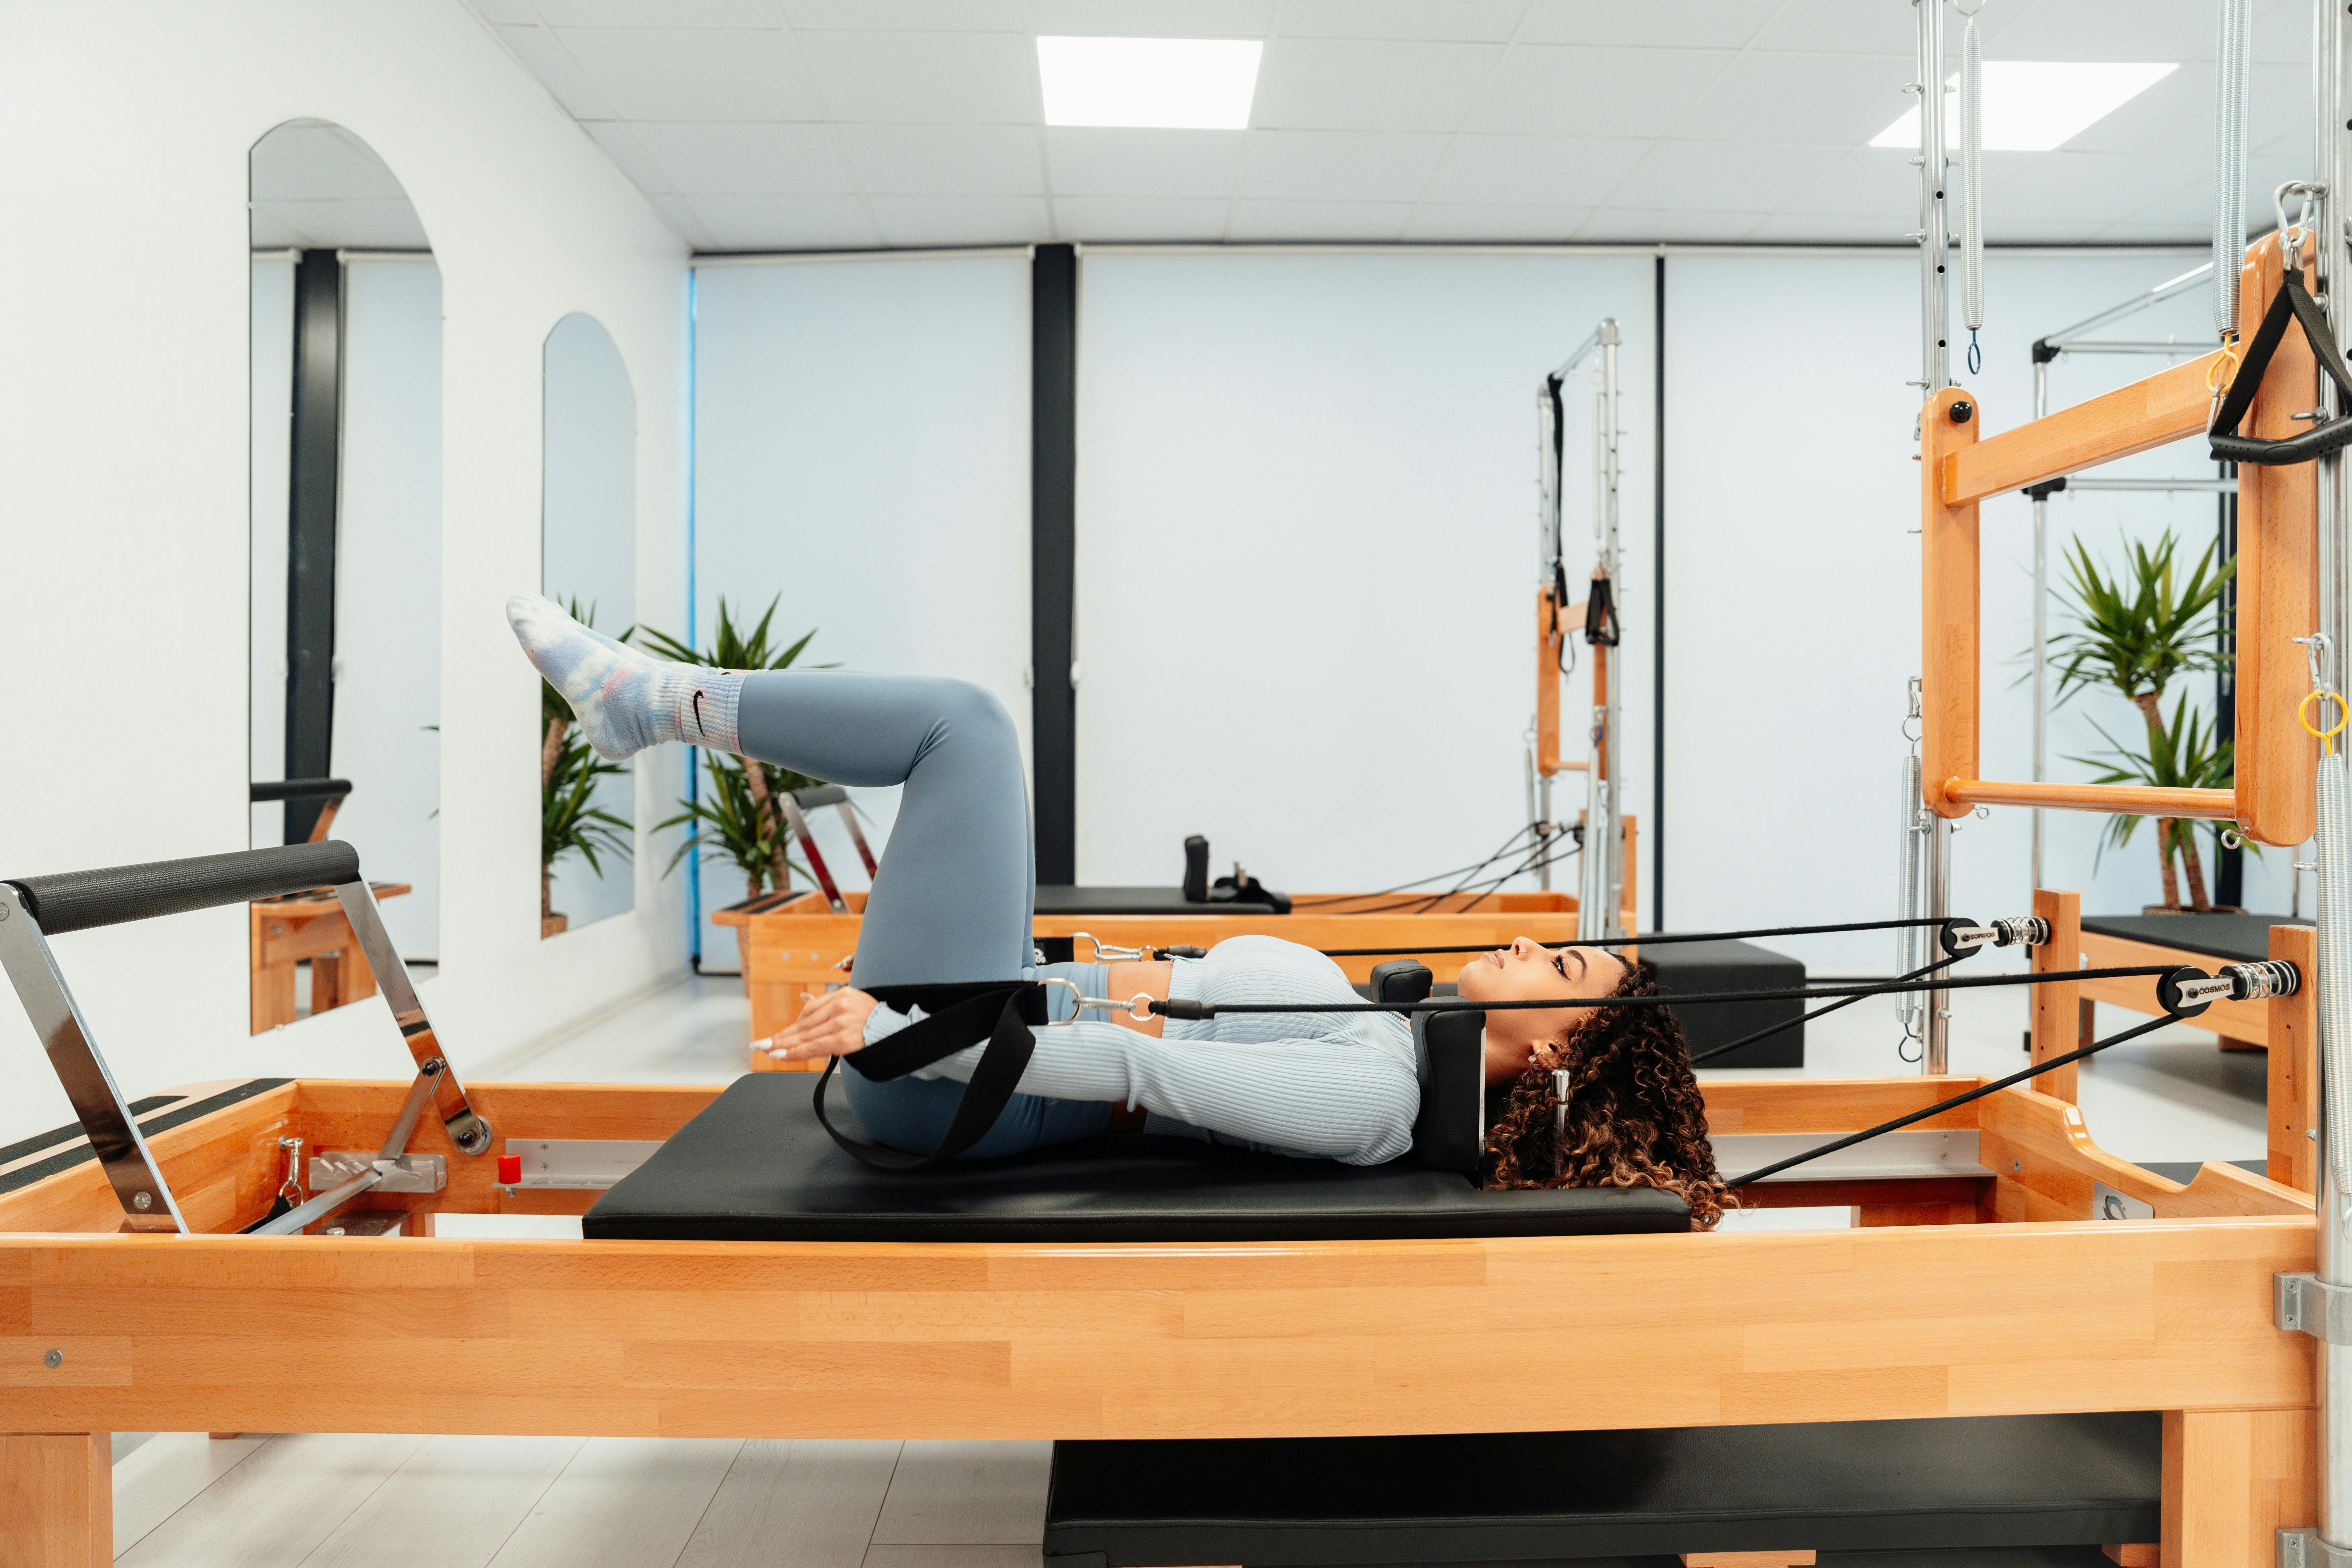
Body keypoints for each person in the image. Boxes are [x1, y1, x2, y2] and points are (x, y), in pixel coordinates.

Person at [506, 595, 1731, 1220]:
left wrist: (907, 1037)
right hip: (997, 1021)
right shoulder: (1396, 1043)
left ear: (1559, 1050)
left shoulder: (1376, 1101)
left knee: (963, 728)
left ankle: (645, 705)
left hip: (966, 1076)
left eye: (1558, 968)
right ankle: (648, 705)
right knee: (968, 735)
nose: (1527, 942)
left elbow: (1147, 1073)